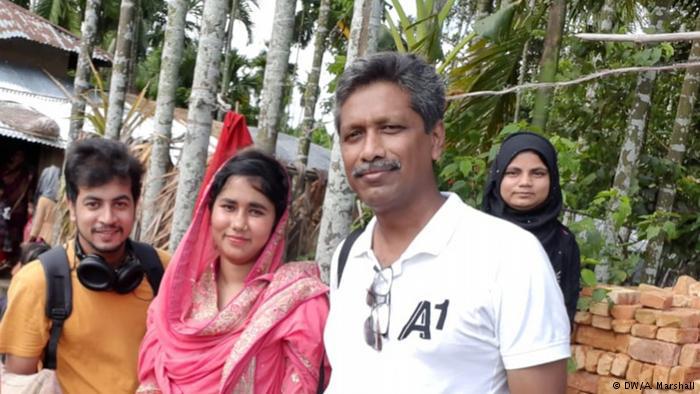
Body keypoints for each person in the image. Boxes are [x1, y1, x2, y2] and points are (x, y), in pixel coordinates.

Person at [322, 52, 571, 393]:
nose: (370, 151)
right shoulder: (349, 255)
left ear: (436, 139)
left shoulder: (509, 257)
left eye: (390, 128)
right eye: (353, 135)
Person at [137, 149, 329, 393]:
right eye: (228, 207)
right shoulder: (173, 303)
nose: (239, 224)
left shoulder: (297, 304)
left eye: (256, 211)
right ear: (210, 210)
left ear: (277, 222)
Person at [0, 138, 170, 393]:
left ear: (136, 205)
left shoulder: (163, 270)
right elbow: (19, 383)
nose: (108, 218)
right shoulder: (39, 280)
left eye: (120, 204)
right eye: (93, 204)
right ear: (71, 207)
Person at [482, 131, 581, 324]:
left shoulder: (563, 242)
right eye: (513, 172)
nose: (525, 182)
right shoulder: (472, 234)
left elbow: (564, 315)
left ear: (552, 179)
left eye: (538, 173)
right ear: (498, 175)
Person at [27, 165, 60, 243]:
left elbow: (38, 221)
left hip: (43, 237)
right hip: (56, 237)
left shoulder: (43, 200)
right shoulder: (61, 200)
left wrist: (31, 238)